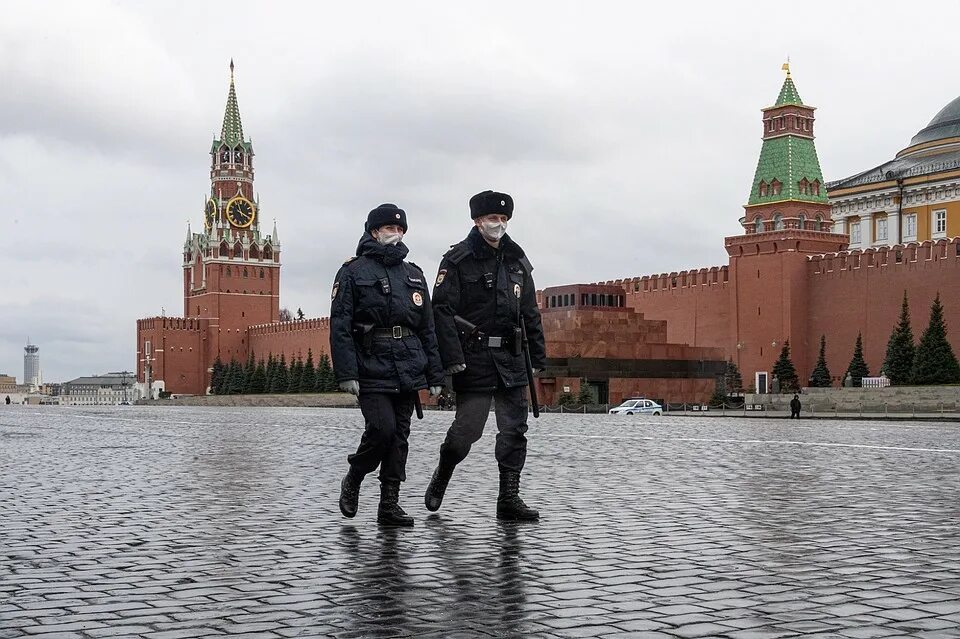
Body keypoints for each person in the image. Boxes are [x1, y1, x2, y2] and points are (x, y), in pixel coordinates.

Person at [425, 190, 546, 521]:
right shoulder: (457, 261)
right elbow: (442, 312)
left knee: (514, 430)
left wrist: (537, 356)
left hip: (511, 357)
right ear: (478, 221)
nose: (499, 224)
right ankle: (444, 471)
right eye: (494, 218)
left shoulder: (518, 262)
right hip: (475, 357)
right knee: (468, 430)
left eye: (504, 219)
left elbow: (530, 312)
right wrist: (452, 360)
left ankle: (508, 498)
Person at [331, 203, 445, 527]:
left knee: (399, 438)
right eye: (389, 229)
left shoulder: (414, 274)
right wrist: (347, 373)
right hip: (371, 362)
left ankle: (389, 504)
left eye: (400, 230)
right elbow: (340, 325)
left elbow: (427, 328)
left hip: (408, 365)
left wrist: (435, 373)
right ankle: (354, 476)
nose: (395, 234)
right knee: (382, 430)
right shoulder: (353, 273)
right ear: (373, 232)